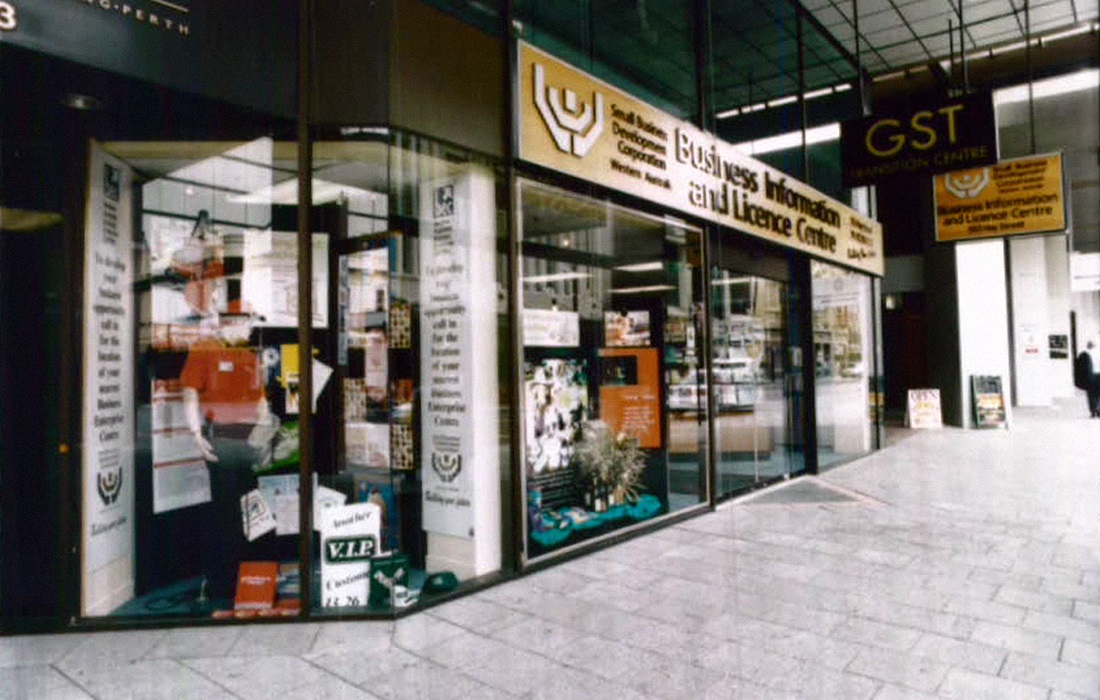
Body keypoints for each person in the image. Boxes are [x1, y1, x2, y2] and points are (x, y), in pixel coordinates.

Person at [1075, 340, 1100, 418]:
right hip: (1093, 376)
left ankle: (1094, 410)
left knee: (1092, 394)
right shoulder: (1085, 355)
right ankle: (1096, 410)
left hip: (1091, 376)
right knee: (1095, 394)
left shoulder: (1084, 355)